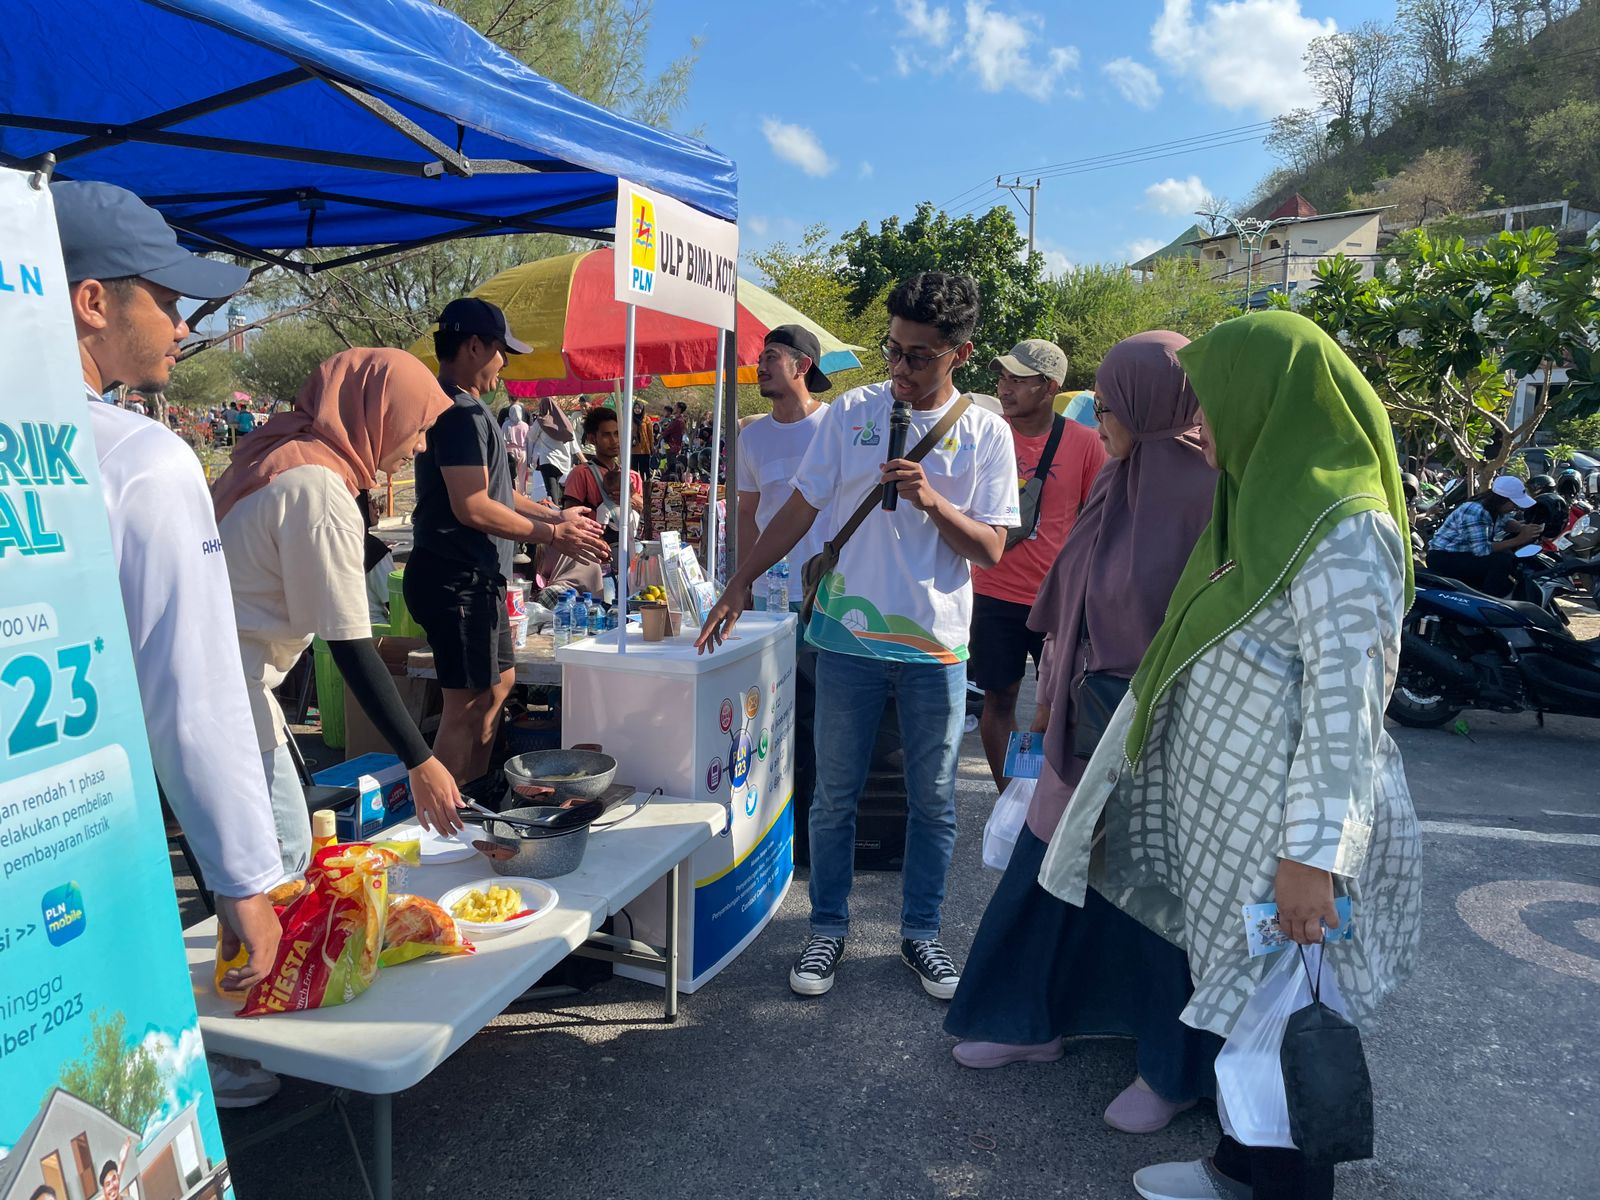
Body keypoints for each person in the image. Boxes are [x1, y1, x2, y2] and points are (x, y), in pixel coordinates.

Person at [1036, 311, 1422, 1200]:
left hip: (1285, 842)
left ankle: (1283, 1187)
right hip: (1235, 831)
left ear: (1267, 400)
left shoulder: (1344, 529)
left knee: (1281, 1029)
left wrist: (1311, 860)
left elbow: (1345, 711)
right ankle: (1237, 1170)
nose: (1199, 424)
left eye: (1211, 404)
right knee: (1252, 1016)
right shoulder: (1255, 510)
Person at [697, 272, 1020, 1001]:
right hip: (845, 640)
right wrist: (741, 580)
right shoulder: (853, 411)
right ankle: (827, 928)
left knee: (934, 802)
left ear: (961, 353)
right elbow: (801, 509)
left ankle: (922, 934)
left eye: (919, 356)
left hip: (936, 648)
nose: (900, 368)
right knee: (834, 795)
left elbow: (993, 549)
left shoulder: (986, 432)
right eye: (893, 350)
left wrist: (931, 499)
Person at [945, 332, 1221, 1135]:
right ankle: (1028, 1018)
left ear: (1152, 402)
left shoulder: (1210, 489)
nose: (1101, 418)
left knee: (1155, 897)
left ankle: (1170, 1069)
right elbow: (1075, 600)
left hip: (1163, 734)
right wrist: (1045, 708)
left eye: (1111, 403)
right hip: (1081, 714)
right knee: (1046, 871)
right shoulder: (1121, 477)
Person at [55, 180, 286, 1106]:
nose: (184, 325)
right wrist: (244, 879)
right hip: (81, 851)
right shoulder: (139, 458)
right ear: (92, 301)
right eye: (167, 298)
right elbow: (192, 691)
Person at [212, 349, 471, 878]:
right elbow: (350, 646)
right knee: (280, 862)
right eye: (418, 427)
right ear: (381, 413)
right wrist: (420, 760)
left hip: (215, 681)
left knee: (254, 864)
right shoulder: (319, 488)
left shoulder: (287, 456)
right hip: (230, 692)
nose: (421, 445)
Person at [404, 298, 608, 785]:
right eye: (501, 352)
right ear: (474, 347)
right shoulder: (457, 411)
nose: (504, 365)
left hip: (479, 577)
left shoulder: (470, 409)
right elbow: (472, 506)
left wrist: (554, 513)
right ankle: (447, 808)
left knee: (499, 688)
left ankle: (474, 794)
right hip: (454, 576)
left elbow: (497, 491)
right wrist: (553, 534)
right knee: (466, 703)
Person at [970, 338, 1106, 790]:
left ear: (1049, 387)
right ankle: (1010, 799)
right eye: (1002, 378)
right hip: (992, 590)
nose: (1004, 388)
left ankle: (1048, 799)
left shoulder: (1085, 443)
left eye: (1018, 380)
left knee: (1061, 704)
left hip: (1058, 598)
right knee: (998, 698)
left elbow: (1098, 518)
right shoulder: (987, 433)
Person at [736, 325, 833, 834]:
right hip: (772, 598)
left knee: (824, 719)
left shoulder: (835, 427)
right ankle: (777, 827)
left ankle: (817, 832)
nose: (760, 365)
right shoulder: (752, 437)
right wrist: (742, 582)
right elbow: (746, 515)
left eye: (771, 356)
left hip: (831, 597)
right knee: (773, 718)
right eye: (760, 357)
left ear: (803, 366)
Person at [1426, 475, 1541, 595]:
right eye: (1514, 505)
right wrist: (1519, 539)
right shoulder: (1476, 512)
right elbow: (1481, 550)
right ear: (1503, 500)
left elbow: (1505, 522)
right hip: (1443, 557)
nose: (1515, 509)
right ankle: (1489, 599)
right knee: (1501, 560)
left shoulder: (1492, 507)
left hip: (1461, 553)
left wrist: (1522, 528)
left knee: (1507, 557)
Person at [527, 395, 580, 503]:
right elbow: (573, 445)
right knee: (560, 492)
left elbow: (531, 437)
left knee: (551, 493)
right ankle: (559, 510)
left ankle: (555, 511)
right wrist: (583, 460)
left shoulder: (541, 422)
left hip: (548, 461)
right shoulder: (565, 422)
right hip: (564, 463)